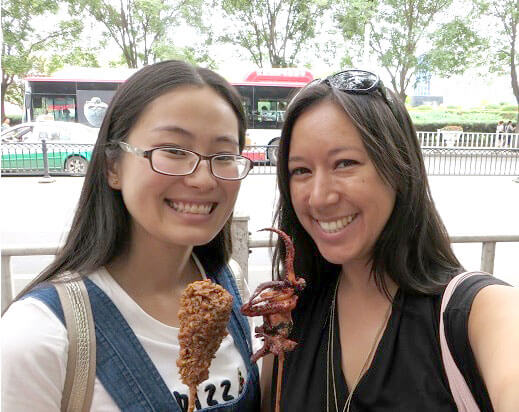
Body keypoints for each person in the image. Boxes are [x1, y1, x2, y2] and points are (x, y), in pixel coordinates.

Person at [1, 60, 260, 411]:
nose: (203, 179)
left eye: (224, 155)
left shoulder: (229, 283)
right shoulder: (39, 336)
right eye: (174, 151)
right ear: (112, 166)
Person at [263, 69, 519, 411]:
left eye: (344, 163)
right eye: (301, 171)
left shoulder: (481, 313)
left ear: (398, 168)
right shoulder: (288, 317)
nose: (319, 197)